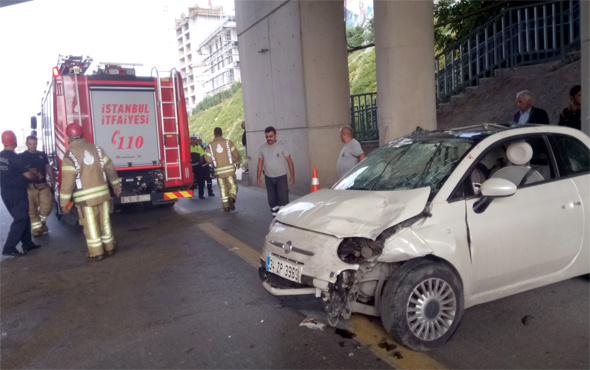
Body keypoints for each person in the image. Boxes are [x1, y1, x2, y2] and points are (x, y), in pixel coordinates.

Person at [59, 123, 122, 261]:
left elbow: (68, 181)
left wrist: (64, 202)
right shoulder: (97, 150)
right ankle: (110, 248)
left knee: (91, 226)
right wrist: (116, 186)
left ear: (68, 138)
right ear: (82, 135)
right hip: (104, 195)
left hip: (85, 199)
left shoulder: (69, 155)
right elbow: (110, 168)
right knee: (105, 222)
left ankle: (97, 252)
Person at [1, 130, 40, 257]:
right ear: (15, 142)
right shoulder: (16, 158)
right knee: (20, 219)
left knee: (24, 217)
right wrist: (36, 177)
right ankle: (9, 248)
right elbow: (28, 175)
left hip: (6, 193)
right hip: (18, 193)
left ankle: (27, 243)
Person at [21, 135, 55, 236]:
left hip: (43, 185)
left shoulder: (42, 155)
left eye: (34, 144)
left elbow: (48, 167)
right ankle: (37, 230)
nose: (33, 146)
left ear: (37, 143)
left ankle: (42, 223)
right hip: (29, 187)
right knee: (32, 210)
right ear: (26, 144)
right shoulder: (22, 156)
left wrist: (52, 181)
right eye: (30, 144)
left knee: (47, 206)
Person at [257, 126, 295, 217]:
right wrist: (258, 177)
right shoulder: (262, 148)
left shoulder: (282, 146)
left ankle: (284, 218)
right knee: (272, 200)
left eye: (271, 136)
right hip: (268, 178)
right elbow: (260, 163)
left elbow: (289, 161)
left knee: (283, 199)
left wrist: (292, 176)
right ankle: (275, 218)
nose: (269, 138)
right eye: (267, 136)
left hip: (281, 177)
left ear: (275, 136)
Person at [204, 127, 241, 212]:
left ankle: (226, 206)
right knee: (233, 186)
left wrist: (214, 160)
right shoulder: (228, 143)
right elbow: (236, 154)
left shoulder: (210, 146)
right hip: (229, 171)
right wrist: (238, 161)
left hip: (219, 173)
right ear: (221, 133)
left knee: (223, 188)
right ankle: (231, 197)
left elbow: (208, 159)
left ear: (214, 134)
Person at [189, 134, 206, 199]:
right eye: (192, 139)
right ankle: (190, 193)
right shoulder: (188, 147)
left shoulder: (199, 147)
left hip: (198, 166)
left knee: (201, 181)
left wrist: (200, 164)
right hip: (191, 167)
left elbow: (201, 156)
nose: (194, 140)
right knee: (191, 181)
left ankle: (201, 195)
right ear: (190, 139)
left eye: (195, 139)